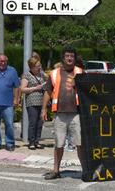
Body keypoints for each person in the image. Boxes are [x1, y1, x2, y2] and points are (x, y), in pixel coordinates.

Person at [41, 47, 84, 180]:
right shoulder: (54, 73)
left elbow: (89, 91)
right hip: (60, 113)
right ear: (63, 58)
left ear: (75, 58)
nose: (70, 58)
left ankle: (85, 170)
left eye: (72, 56)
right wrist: (43, 109)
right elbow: (48, 91)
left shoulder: (81, 72)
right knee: (59, 144)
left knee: (80, 144)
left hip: (76, 113)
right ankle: (56, 170)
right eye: (67, 56)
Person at [21, 57, 46, 150]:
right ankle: (31, 142)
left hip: (42, 101)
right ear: (31, 67)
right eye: (37, 66)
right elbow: (23, 89)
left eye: (40, 65)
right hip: (32, 102)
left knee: (40, 123)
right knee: (33, 122)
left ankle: (37, 141)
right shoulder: (26, 75)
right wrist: (35, 88)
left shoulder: (42, 74)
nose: (39, 67)